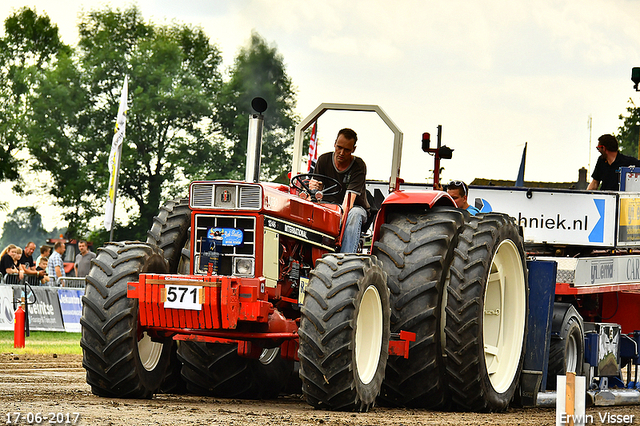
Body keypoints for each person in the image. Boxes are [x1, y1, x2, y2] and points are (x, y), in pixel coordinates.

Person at [307, 128, 369, 253]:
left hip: (352, 208)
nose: (341, 152)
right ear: (334, 143)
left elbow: (348, 203)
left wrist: (335, 222)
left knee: (354, 214)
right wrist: (314, 188)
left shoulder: (358, 165)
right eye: (339, 147)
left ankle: (344, 259)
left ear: (353, 150)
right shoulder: (324, 160)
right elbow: (315, 191)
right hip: (328, 206)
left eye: (346, 150)